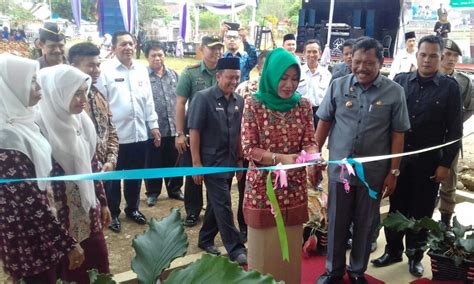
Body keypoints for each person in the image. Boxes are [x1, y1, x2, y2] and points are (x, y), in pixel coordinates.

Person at [315, 37, 410, 283]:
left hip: (373, 175)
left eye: (368, 62)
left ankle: (356, 271)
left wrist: (394, 172)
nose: (361, 68)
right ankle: (333, 271)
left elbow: (398, 134)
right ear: (350, 60)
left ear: (380, 62)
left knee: (365, 224)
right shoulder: (338, 85)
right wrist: (315, 159)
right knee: (336, 222)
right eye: (357, 62)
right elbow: (324, 123)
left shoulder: (394, 92)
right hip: (340, 172)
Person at [372, 35, 462, 278]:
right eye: (423, 54)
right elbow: (386, 121)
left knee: (421, 211)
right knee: (396, 206)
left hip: (429, 163)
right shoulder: (400, 82)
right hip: (399, 160)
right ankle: (392, 250)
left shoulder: (450, 88)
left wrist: (445, 165)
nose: (427, 60)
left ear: (441, 58)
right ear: (416, 55)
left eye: (433, 55)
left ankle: (415, 255)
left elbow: (455, 131)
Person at [0, 54, 84, 284]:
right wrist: (67, 244)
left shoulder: (24, 120)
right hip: (27, 237)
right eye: (31, 82)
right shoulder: (6, 139)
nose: (39, 88)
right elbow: (31, 203)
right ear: (11, 87)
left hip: (41, 229)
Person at [241, 48, 319, 284]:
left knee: (290, 254)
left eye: (294, 79)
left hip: (294, 189)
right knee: (263, 253)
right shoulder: (253, 104)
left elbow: (310, 141)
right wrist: (279, 158)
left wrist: (314, 159)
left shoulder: (303, 105)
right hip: (263, 192)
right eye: (283, 78)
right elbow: (248, 148)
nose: (289, 84)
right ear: (271, 76)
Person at [37, 64, 111, 283]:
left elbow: (92, 165)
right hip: (59, 223)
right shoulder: (40, 130)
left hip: (88, 213)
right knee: (69, 272)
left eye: (84, 93)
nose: (83, 100)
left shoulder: (81, 121)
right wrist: (65, 241)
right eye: (76, 94)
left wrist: (103, 201)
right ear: (57, 93)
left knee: (97, 266)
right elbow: (43, 193)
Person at [96, 31, 160, 233]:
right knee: (113, 178)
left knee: (135, 175)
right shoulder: (105, 71)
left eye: (131, 44)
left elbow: (148, 100)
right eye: (123, 44)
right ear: (114, 47)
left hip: (139, 134)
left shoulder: (141, 70)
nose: (128, 48)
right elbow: (100, 103)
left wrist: (154, 125)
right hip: (116, 138)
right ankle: (113, 213)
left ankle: (132, 208)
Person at [187, 57, 247, 264]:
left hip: (230, 160)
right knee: (223, 203)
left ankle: (205, 238)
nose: (234, 81)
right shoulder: (203, 98)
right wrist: (196, 164)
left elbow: (239, 133)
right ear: (218, 76)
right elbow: (194, 131)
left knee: (216, 202)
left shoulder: (239, 100)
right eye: (230, 77)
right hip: (210, 162)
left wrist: (240, 159)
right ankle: (236, 248)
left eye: (237, 77)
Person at [175, 35, 224, 227]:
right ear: (201, 50)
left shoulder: (225, 71)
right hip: (195, 129)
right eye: (212, 49)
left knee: (216, 172)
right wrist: (179, 133)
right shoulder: (190, 73)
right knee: (194, 170)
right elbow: (180, 103)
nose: (216, 53)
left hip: (219, 131)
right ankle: (193, 211)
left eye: (219, 49)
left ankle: (214, 210)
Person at [143, 40, 184, 206]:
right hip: (154, 129)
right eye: (153, 55)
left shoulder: (174, 75)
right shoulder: (143, 77)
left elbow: (181, 100)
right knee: (152, 162)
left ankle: (175, 189)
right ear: (147, 57)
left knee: (174, 161)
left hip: (174, 128)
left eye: (160, 55)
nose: (157, 58)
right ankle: (152, 192)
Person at [68, 42, 119, 174]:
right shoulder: (67, 102)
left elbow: (111, 130)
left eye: (98, 65)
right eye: (91, 65)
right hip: (80, 172)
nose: (97, 70)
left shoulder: (98, 95)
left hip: (105, 170)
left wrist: (111, 160)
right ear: (73, 67)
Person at [438, 38, 472, 226]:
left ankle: (445, 220)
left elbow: (469, 107)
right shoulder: (428, 77)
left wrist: (454, 125)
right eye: (448, 54)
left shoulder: (463, 82)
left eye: (455, 56)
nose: (451, 59)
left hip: (450, 140)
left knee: (449, 182)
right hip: (427, 139)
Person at [296, 39, 332, 127]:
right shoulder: (297, 73)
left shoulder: (326, 74)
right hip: (300, 112)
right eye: (308, 52)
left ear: (320, 53)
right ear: (304, 53)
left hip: (319, 113)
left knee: (317, 139)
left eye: (315, 52)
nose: (311, 55)